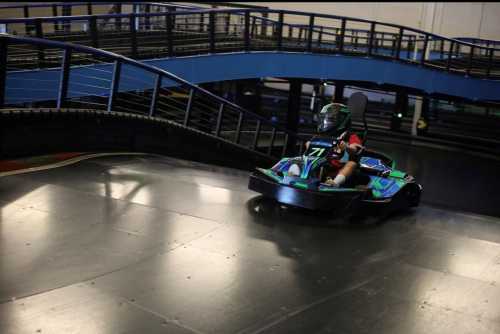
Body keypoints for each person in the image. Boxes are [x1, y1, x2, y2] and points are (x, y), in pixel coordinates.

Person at [306, 102, 364, 188]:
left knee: (352, 163)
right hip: (321, 166)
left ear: (342, 120)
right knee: (301, 159)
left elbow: (356, 149)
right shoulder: (323, 135)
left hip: (339, 169)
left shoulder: (350, 136)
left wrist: (347, 147)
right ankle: (294, 174)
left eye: (331, 120)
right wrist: (309, 145)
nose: (327, 122)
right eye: (326, 119)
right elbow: (310, 145)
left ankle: (335, 183)